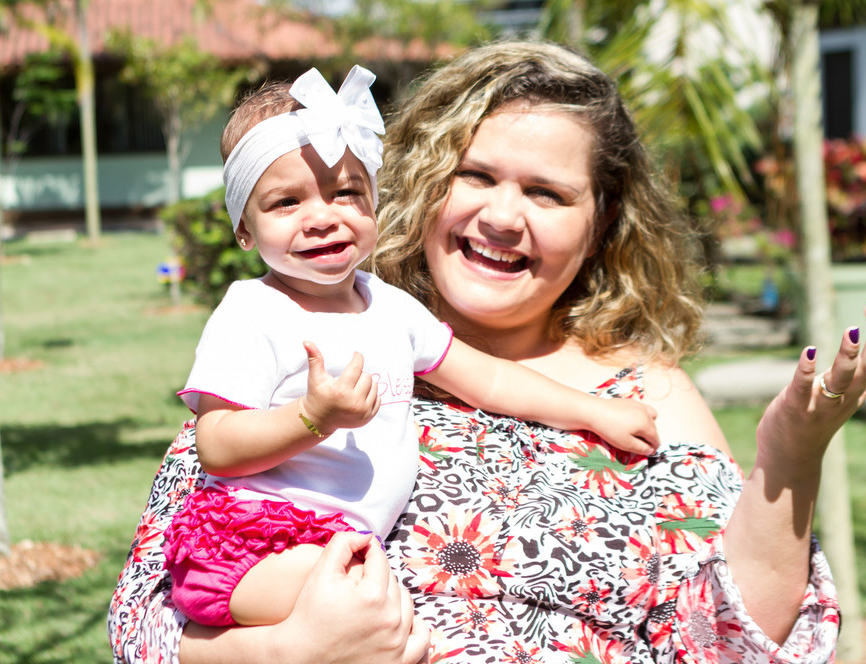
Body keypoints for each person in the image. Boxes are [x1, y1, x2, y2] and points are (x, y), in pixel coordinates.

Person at [109, 40, 866, 664]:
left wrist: (790, 460)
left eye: (547, 193)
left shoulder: (647, 394)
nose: (503, 218)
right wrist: (290, 652)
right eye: (476, 176)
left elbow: (726, 641)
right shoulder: (309, 342)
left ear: (600, 220)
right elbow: (147, 623)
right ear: (422, 182)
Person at [164, 64, 659, 631]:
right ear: (245, 230)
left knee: (393, 628)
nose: (322, 217)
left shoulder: (390, 308)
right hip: (258, 544)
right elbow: (217, 445)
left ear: (374, 203)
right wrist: (312, 418)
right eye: (286, 203)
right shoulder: (253, 312)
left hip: (342, 548)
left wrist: (593, 411)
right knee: (383, 627)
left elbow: (490, 380)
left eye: (346, 193)